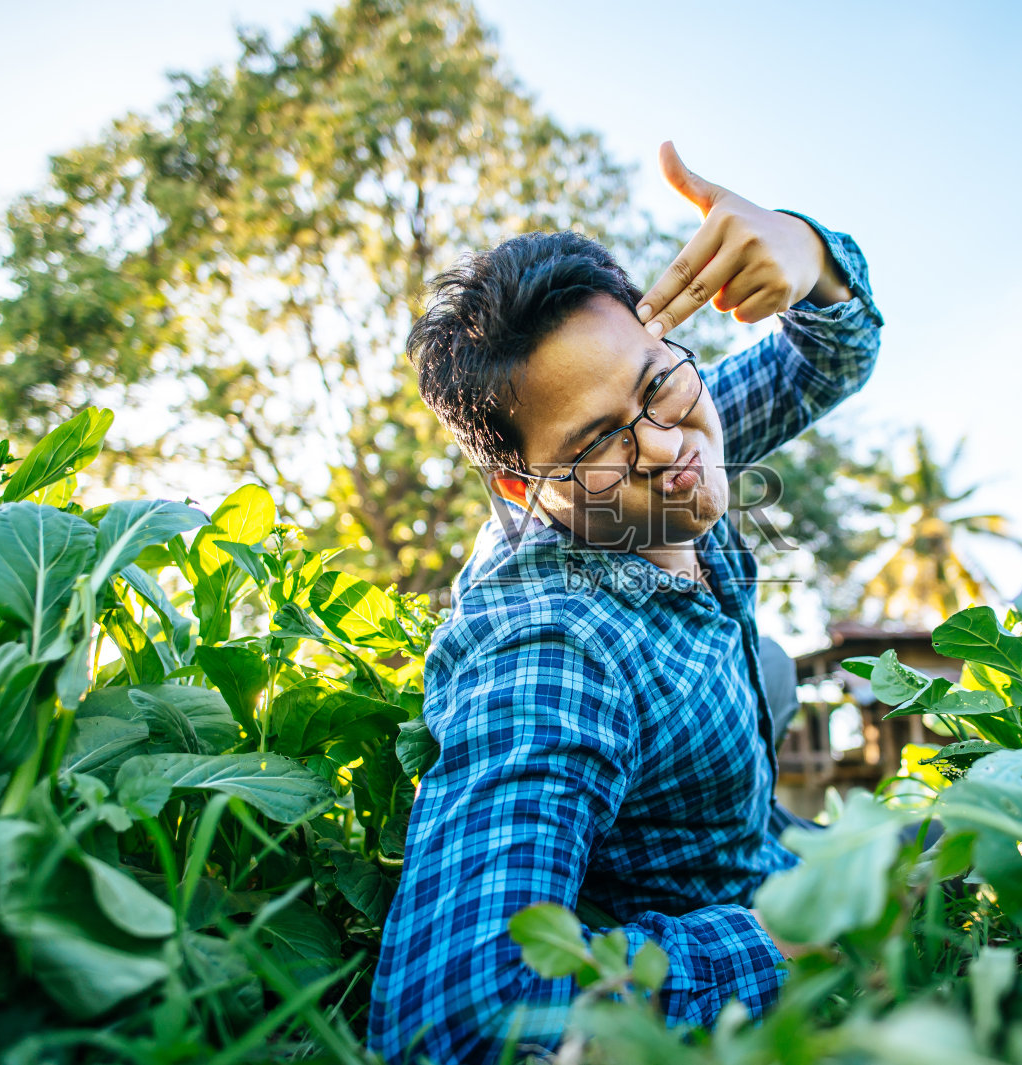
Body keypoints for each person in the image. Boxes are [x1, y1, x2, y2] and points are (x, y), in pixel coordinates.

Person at [366, 141, 885, 1063]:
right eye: (600, 438)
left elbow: (832, 354)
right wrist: (801, 938)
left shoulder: (673, 424)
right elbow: (457, 1021)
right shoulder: (549, 647)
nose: (663, 446)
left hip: (774, 836)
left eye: (657, 380)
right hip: (732, 939)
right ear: (524, 490)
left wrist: (804, 251)